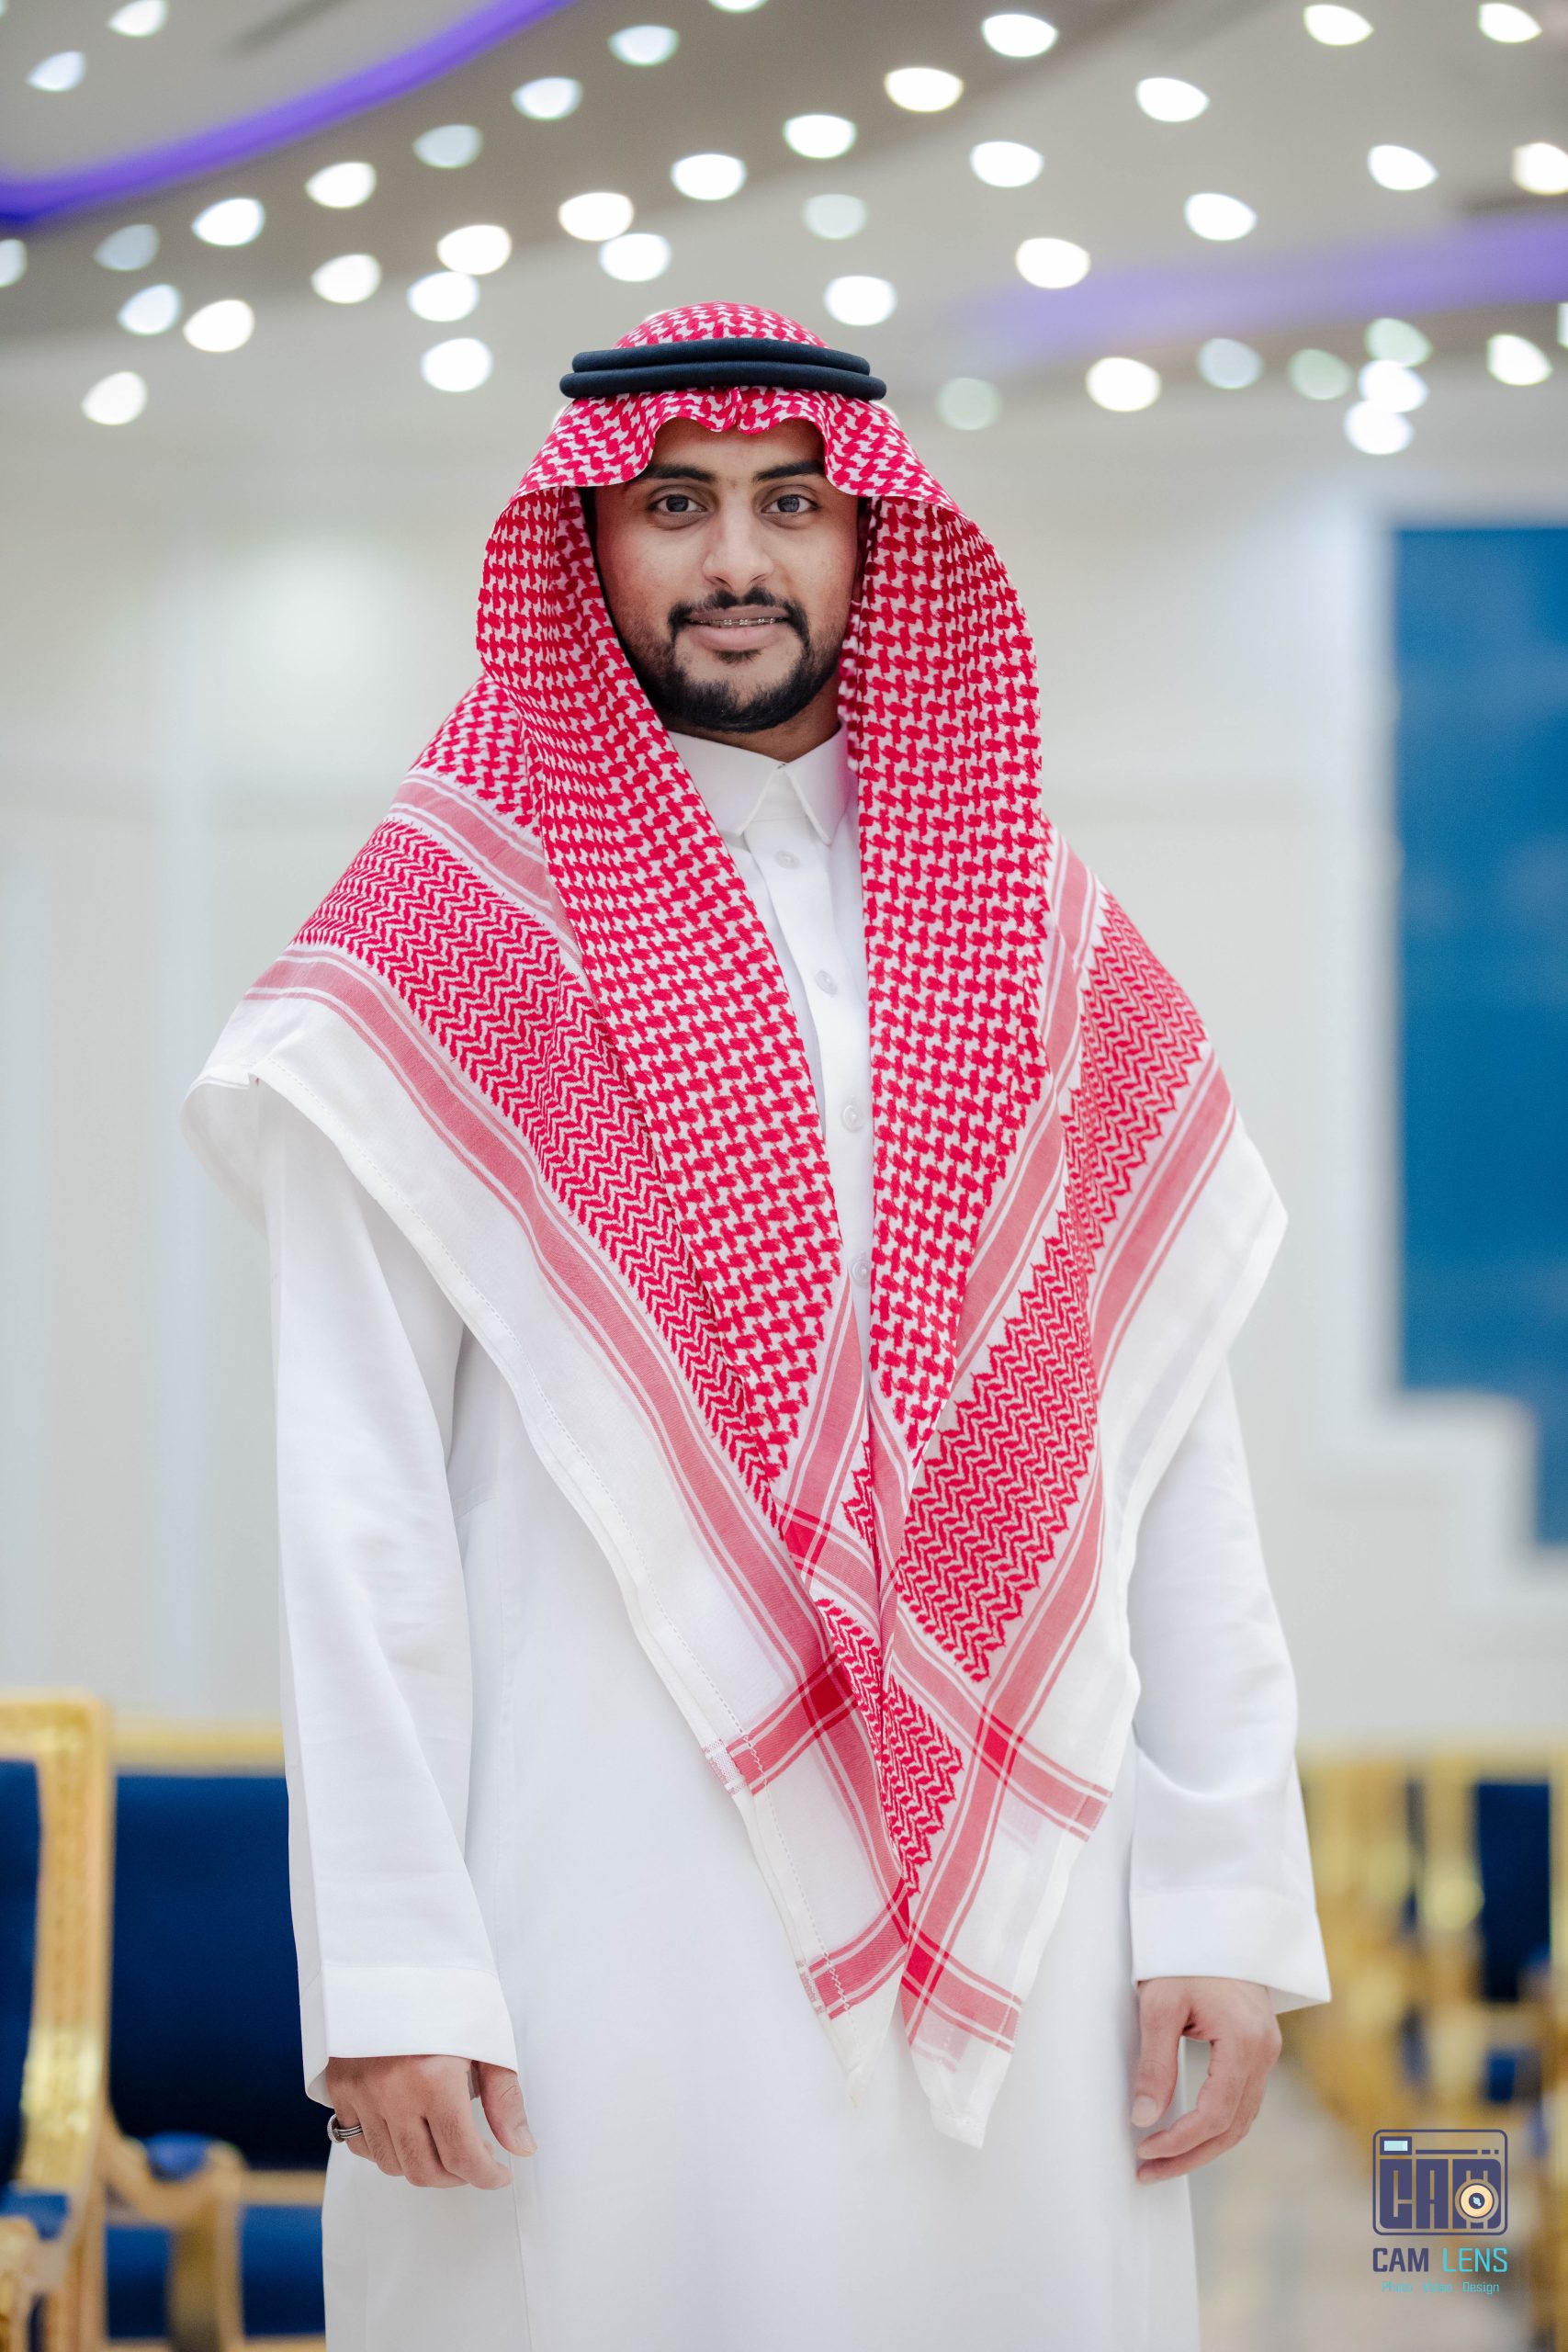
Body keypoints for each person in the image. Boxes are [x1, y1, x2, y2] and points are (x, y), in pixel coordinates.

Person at [183, 304, 1330, 2352]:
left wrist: (1225, 1896)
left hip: (1028, 1898)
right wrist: (394, 1962)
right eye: (675, 506)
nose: (735, 559)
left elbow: (1169, 1455)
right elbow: (357, 1500)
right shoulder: (438, 938)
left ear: (870, 537)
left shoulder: (1035, 927)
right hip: (590, 1899)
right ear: (588, 543)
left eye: (791, 505)